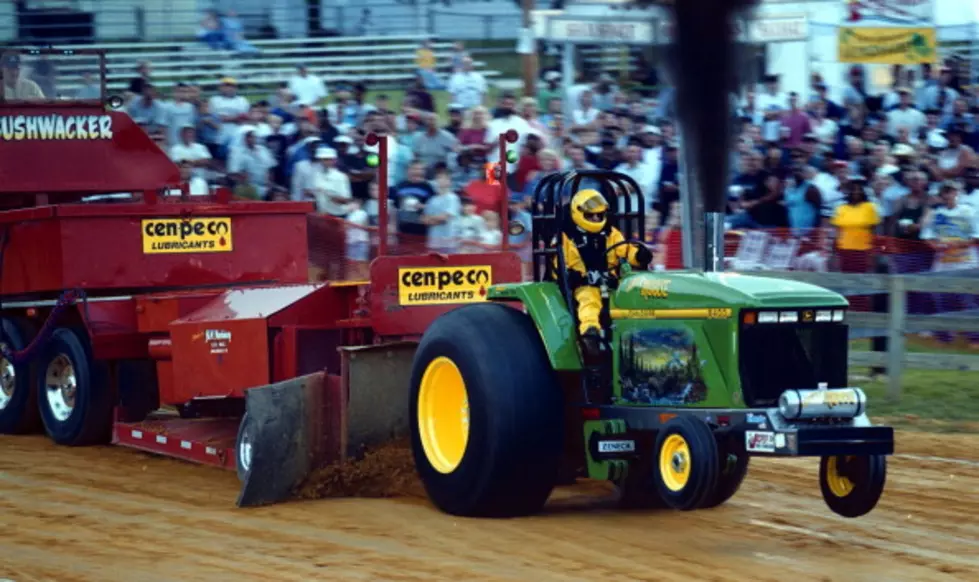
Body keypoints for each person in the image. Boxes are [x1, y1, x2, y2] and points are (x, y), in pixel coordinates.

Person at [558, 189, 652, 355]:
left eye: (599, 215)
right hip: (583, 283)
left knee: (636, 292)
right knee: (589, 299)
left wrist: (639, 255)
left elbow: (625, 250)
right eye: (590, 215)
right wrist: (578, 276)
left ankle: (643, 337)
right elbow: (564, 263)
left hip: (612, 281)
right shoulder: (567, 236)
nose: (596, 219)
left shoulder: (611, 232)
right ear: (578, 213)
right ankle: (590, 333)